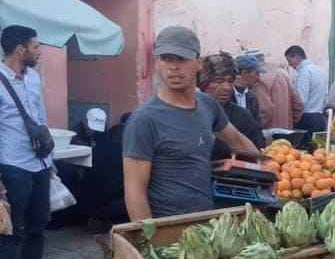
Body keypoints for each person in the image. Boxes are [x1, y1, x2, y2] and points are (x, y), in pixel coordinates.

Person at [123, 26, 258, 220]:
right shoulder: (144, 120)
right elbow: (135, 191)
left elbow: (237, 141)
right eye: (166, 58)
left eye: (182, 59)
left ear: (198, 63)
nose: (173, 66)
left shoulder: (207, 105)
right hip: (168, 226)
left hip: (206, 222)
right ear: (157, 63)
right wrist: (149, 241)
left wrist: (272, 171)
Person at [0, 25, 50, 259]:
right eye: (35, 46)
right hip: (11, 166)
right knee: (10, 231)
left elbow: (41, 119)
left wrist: (49, 163)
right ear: (20, 49)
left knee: (37, 228)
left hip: (39, 165)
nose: (39, 51)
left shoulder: (33, 78)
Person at [198, 53, 266, 159]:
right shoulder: (189, 113)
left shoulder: (242, 116)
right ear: (204, 83)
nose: (226, 87)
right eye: (218, 81)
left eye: (230, 81)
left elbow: (257, 153)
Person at [236, 51, 303, 129]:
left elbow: (264, 110)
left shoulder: (259, 81)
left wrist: (254, 129)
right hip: (286, 130)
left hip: (268, 132)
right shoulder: (283, 75)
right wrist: (291, 122)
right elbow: (298, 104)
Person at [285, 45, 329, 135]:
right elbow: (325, 98)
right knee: (318, 148)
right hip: (320, 119)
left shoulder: (304, 73)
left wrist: (293, 118)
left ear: (296, 57)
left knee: (304, 148)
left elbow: (301, 100)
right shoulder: (320, 71)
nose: (289, 64)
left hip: (307, 119)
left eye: (289, 60)